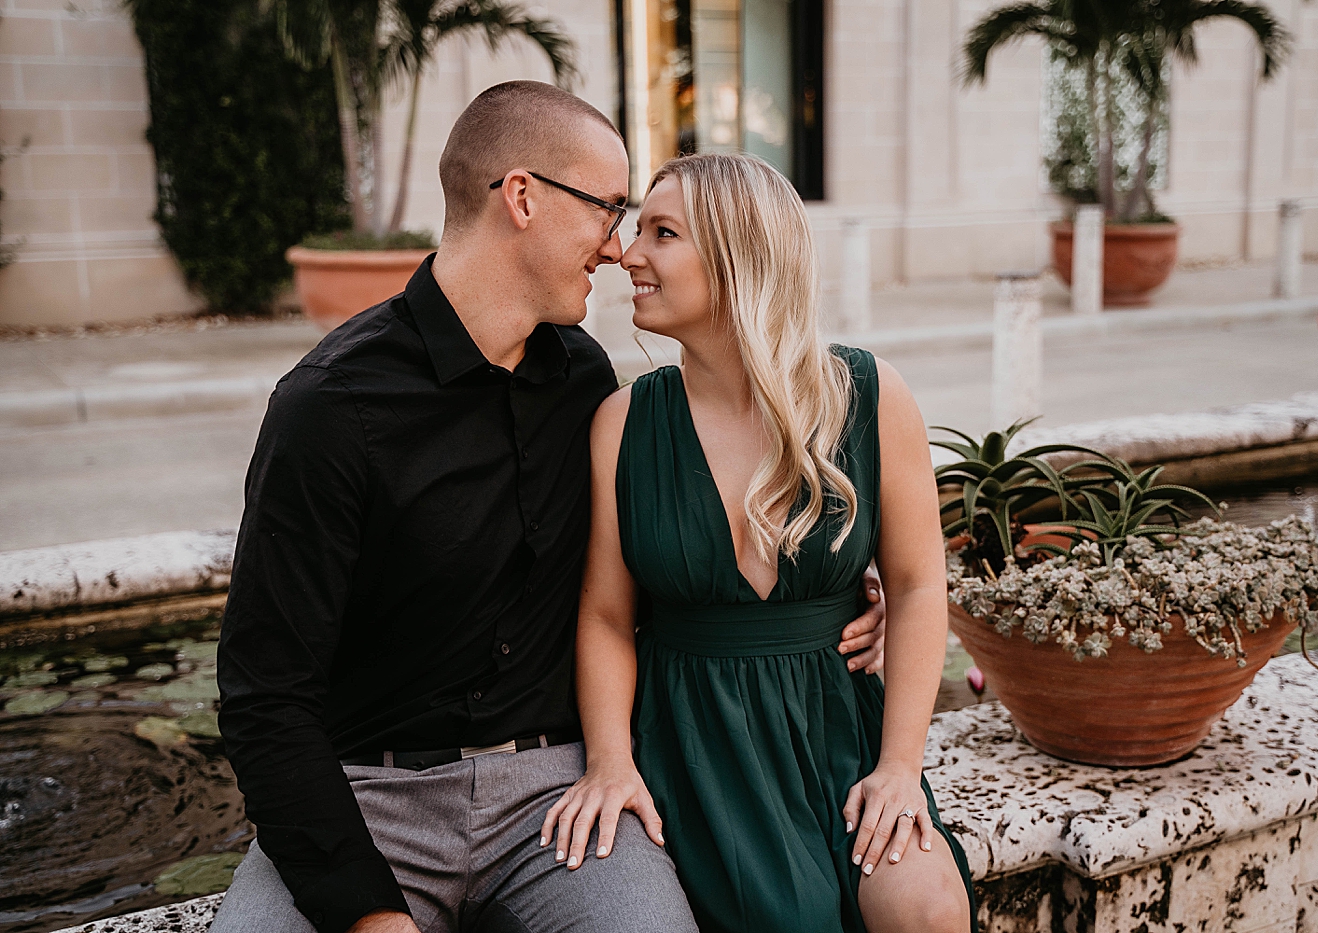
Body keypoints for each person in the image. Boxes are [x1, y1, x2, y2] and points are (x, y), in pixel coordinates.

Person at [212, 81, 887, 933]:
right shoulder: (330, 406)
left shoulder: (585, 383)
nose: (616, 249)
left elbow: (664, 566)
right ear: (522, 197)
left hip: (556, 793)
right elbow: (263, 695)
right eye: (609, 210)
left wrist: (848, 593)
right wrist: (368, 915)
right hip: (365, 794)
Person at [540, 153, 978, 933]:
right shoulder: (624, 422)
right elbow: (605, 615)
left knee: (926, 906)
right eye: (637, 230)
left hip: (839, 723)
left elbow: (915, 586)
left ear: (741, 253)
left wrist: (900, 768)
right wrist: (610, 762)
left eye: (661, 233)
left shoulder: (870, 395)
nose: (627, 255)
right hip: (696, 738)